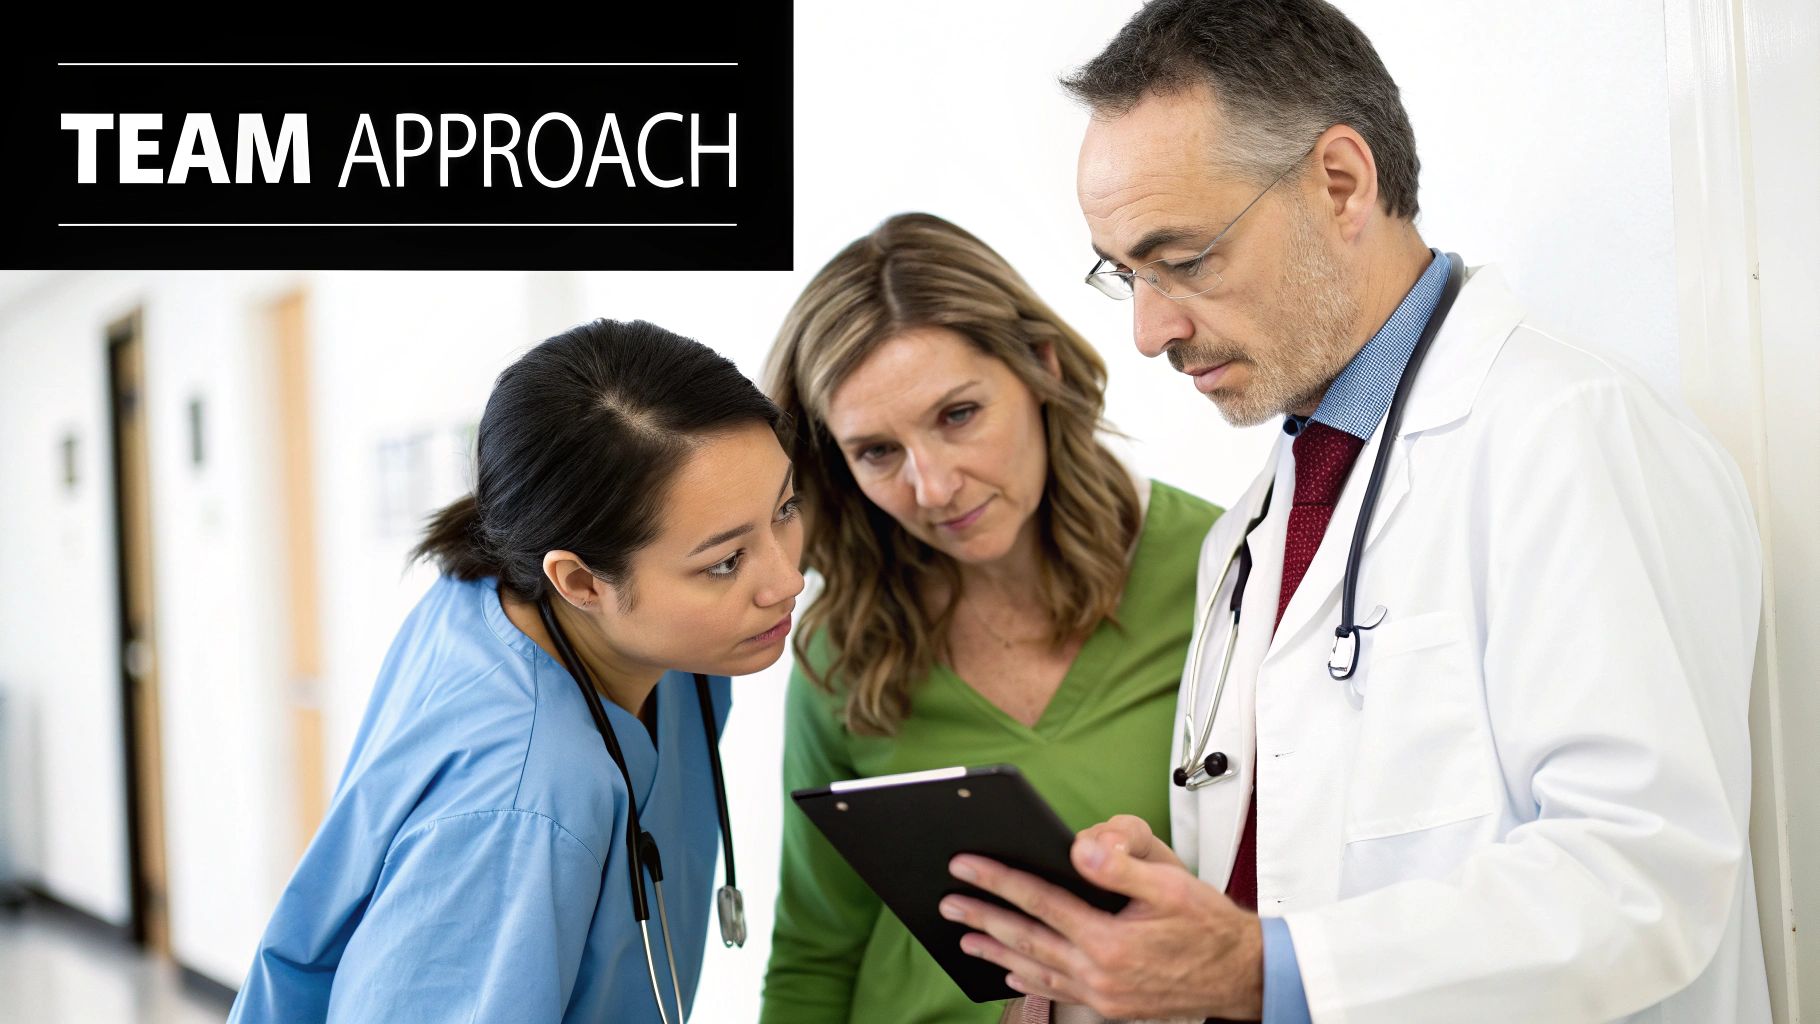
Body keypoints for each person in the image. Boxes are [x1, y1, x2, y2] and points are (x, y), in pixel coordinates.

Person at [935, 3, 1771, 1022]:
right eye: (1126, 275)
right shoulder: (1249, 532)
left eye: (1185, 260)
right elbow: (1287, 897)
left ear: (1340, 182)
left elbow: (1644, 881)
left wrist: (1248, 967)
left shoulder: (1568, 437)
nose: (1149, 331)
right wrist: (1152, 946)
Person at [227, 319, 806, 1024]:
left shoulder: (552, 602)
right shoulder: (522, 802)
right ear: (581, 582)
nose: (786, 580)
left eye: (784, 509)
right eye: (724, 561)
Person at [758, 212, 1220, 1024]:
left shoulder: (1222, 574)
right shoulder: (845, 645)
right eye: (876, 452)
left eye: (958, 414)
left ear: (1039, 366)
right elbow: (813, 953)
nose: (933, 488)